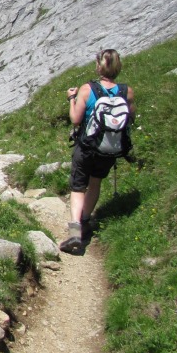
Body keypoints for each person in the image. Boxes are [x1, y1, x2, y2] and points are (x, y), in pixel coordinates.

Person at [61, 49, 135, 254]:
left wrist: (71, 99)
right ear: (118, 67)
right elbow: (130, 118)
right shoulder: (126, 91)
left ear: (98, 67)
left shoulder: (87, 89)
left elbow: (76, 120)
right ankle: (85, 222)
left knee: (78, 187)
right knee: (95, 183)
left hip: (86, 146)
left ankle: (75, 231)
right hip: (109, 148)